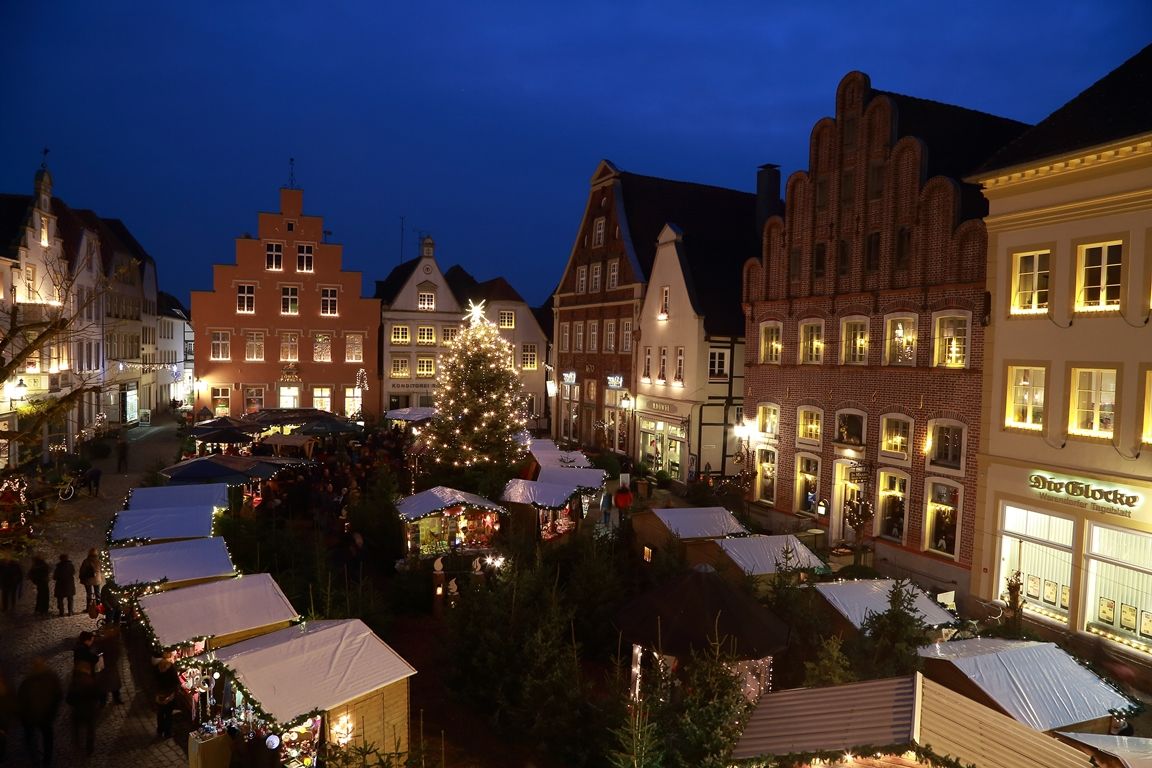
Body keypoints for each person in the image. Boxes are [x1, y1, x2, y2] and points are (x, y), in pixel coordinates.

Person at [17, 657, 62, 768]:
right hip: (46, 716)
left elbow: (21, 700)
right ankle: (47, 761)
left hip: (31, 716)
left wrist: (23, 717)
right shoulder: (52, 678)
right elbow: (58, 695)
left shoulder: (27, 682)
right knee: (47, 739)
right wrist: (53, 712)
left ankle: (35, 758)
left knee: (30, 738)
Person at [153, 653, 180, 739]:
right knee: (168, 715)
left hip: (161, 694)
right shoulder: (171, 668)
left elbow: (153, 682)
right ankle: (167, 733)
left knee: (161, 713)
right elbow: (176, 682)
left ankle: (160, 730)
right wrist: (173, 694)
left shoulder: (156, 668)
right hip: (168, 694)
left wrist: (156, 694)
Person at [96, 626, 124, 705]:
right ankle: (105, 701)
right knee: (105, 685)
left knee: (111, 684)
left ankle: (110, 700)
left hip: (109, 666)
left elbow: (117, 653)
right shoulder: (104, 642)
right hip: (105, 666)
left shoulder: (111, 642)